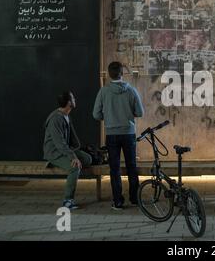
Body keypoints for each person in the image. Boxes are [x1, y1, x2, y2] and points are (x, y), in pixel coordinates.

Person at [93, 62, 145, 210]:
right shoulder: (131, 91)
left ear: (109, 74)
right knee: (131, 166)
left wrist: (109, 116)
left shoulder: (103, 92)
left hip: (111, 134)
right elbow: (140, 113)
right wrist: (128, 114)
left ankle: (118, 201)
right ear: (122, 73)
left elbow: (95, 114)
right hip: (128, 134)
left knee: (114, 168)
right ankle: (135, 199)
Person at [43, 91, 92, 209]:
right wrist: (73, 157)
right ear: (69, 102)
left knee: (88, 159)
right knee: (74, 167)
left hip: (65, 150)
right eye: (73, 98)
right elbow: (59, 144)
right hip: (54, 152)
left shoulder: (66, 115)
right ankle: (68, 200)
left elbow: (72, 140)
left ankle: (70, 161)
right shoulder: (56, 119)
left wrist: (77, 151)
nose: (75, 100)